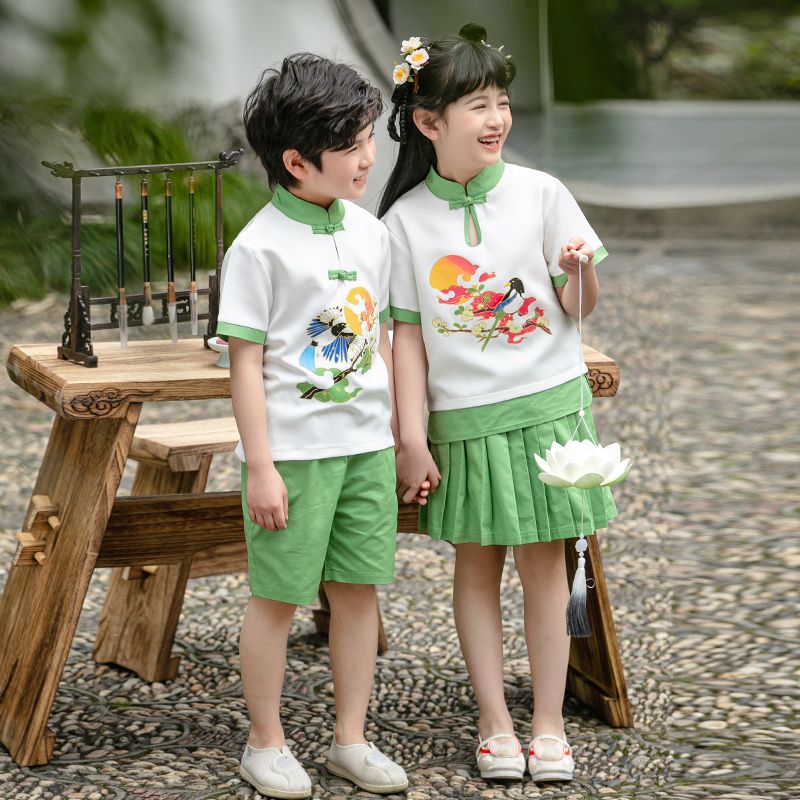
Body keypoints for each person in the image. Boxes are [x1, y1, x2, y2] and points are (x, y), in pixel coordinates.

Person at [380, 24, 618, 783]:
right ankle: (494, 723)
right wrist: (410, 438)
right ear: (428, 121)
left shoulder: (543, 194)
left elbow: (578, 306)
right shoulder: (403, 223)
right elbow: (408, 346)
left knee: (547, 571)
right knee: (476, 571)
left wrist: (579, 271)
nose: (496, 119)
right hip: (467, 425)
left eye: (503, 102)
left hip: (550, 411)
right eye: (476, 104)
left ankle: (548, 725)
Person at [217, 53, 408, 799]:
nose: (368, 156)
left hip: (363, 449)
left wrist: (398, 434)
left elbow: (384, 341)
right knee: (278, 596)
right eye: (352, 144)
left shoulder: (370, 234)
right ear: (296, 161)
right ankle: (265, 742)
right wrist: (259, 465)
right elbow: (244, 364)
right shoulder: (258, 247)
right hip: (294, 456)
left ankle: (349, 740)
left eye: (368, 138)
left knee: (359, 591)